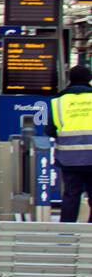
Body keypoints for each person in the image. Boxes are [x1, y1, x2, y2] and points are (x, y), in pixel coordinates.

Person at [47, 64, 92, 222]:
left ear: (70, 79)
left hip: (69, 159)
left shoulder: (58, 101)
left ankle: (66, 232)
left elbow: (50, 130)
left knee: (71, 195)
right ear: (89, 79)